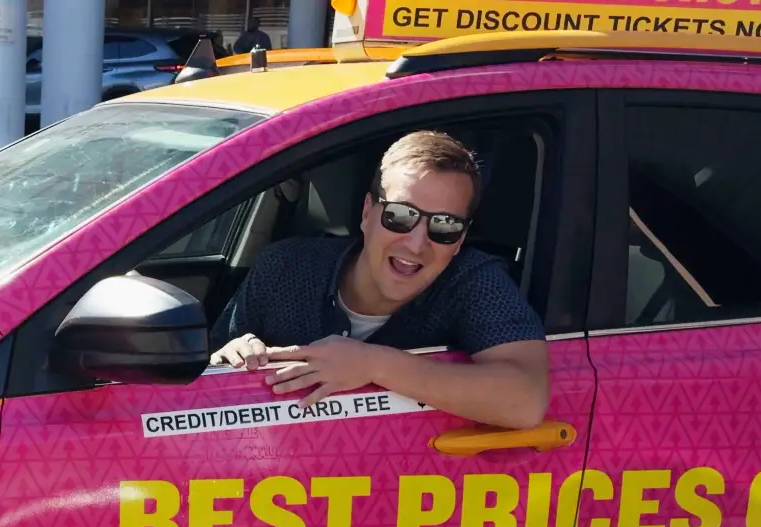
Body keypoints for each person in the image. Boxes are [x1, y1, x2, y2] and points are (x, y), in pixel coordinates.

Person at [210, 130, 550, 431]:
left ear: (460, 239)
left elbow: (527, 401)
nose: (416, 243)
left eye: (444, 226)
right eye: (400, 216)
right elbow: (201, 372)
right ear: (367, 213)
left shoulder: (473, 281)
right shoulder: (284, 268)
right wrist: (230, 358)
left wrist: (373, 364)